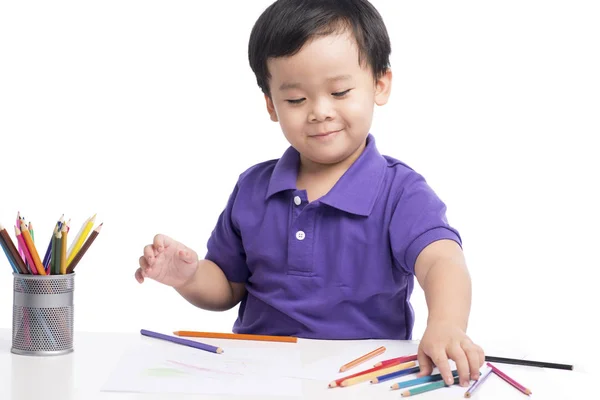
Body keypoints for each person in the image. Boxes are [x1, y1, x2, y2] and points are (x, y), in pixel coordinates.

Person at [136, 0, 484, 387]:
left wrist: (447, 325)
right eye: (296, 100)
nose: (319, 111)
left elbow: (442, 263)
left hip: (365, 377)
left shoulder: (400, 191)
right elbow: (227, 286)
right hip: (255, 375)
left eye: (339, 92)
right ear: (271, 104)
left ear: (379, 84)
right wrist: (189, 276)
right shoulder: (254, 188)